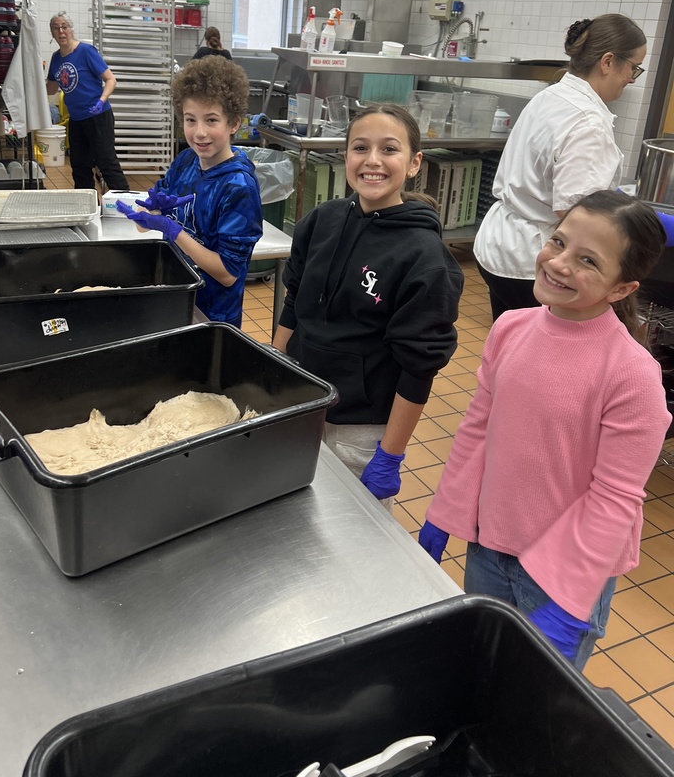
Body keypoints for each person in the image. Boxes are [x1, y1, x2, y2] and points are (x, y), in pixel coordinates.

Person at [419, 191, 671, 670]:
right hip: (490, 545)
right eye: (558, 241)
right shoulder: (511, 329)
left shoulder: (632, 375)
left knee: (535, 697)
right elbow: (477, 430)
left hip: (563, 574)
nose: (558, 263)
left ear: (621, 289)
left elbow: (615, 498)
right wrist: (445, 510)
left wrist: (570, 597)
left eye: (588, 261)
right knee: (482, 671)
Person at [272, 103, 464, 506]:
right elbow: (296, 297)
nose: (372, 160)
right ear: (346, 156)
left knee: (351, 532)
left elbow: (418, 366)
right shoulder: (322, 221)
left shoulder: (424, 258)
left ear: (414, 163)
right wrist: (275, 366)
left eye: (389, 149)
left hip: (359, 429)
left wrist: (390, 455)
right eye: (360, 148)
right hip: (301, 403)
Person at [474, 14, 646, 320]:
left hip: (499, 244)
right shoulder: (587, 122)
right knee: (545, 345)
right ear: (608, 62)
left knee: (513, 337)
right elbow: (575, 212)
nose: (632, 78)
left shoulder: (551, 96)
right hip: (533, 259)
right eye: (634, 67)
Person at [116, 56, 261, 327]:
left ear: (233, 123)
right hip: (173, 298)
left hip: (213, 316)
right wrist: (148, 213)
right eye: (190, 120)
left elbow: (228, 273)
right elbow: (146, 225)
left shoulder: (238, 186)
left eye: (211, 120)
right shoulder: (186, 161)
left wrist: (173, 231)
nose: (199, 133)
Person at [46, 12, 129, 192]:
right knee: (79, 166)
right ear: (52, 33)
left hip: (98, 116)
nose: (61, 31)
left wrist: (102, 100)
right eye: (56, 28)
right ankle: (86, 203)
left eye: (64, 27)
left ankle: (124, 202)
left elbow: (111, 79)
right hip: (76, 119)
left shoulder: (86, 51)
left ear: (71, 29)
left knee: (106, 162)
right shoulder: (56, 58)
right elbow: (51, 89)